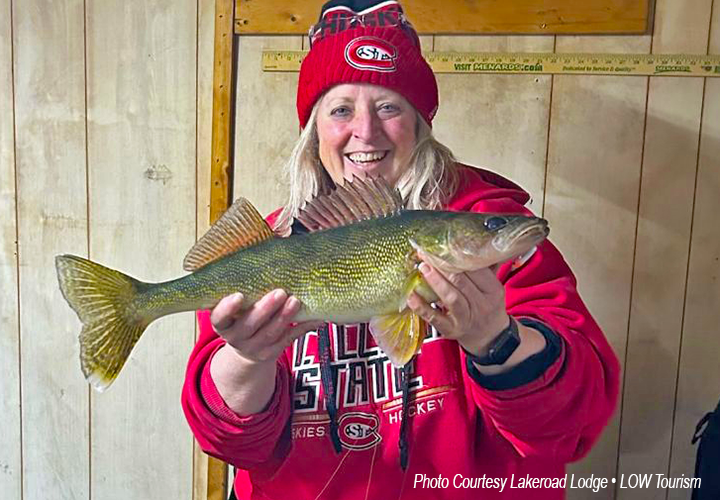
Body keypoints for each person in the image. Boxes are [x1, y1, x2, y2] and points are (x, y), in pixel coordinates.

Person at [182, 1, 620, 498]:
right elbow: (231, 444)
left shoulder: (497, 242)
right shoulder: (271, 246)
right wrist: (247, 360)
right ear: (313, 130)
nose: (365, 131)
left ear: (419, 122)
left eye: (388, 106)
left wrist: (496, 339)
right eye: (341, 109)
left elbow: (574, 423)